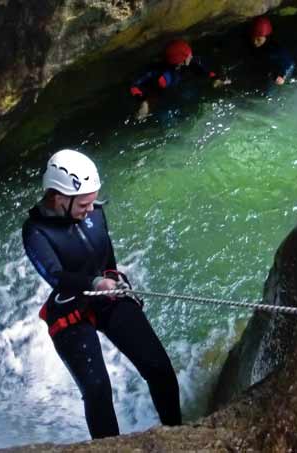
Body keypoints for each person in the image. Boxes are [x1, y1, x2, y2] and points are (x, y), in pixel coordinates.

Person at [22, 149, 182, 439]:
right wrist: (95, 282)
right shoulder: (35, 231)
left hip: (107, 296)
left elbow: (108, 259)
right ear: (59, 198)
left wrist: (109, 281)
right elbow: (56, 276)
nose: (91, 208)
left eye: (93, 200)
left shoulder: (95, 212)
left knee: (158, 367)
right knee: (97, 390)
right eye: (84, 203)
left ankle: (178, 434)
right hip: (70, 308)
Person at [129, 39, 228, 120]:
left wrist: (217, 79)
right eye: (189, 55)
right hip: (162, 97)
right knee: (165, 116)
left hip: (179, 89)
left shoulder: (191, 64)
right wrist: (144, 103)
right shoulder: (160, 75)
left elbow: (206, 71)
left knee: (190, 96)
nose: (191, 56)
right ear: (181, 61)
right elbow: (134, 85)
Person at [245, 16, 296, 86]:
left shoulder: (277, 50)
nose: (255, 42)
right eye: (253, 38)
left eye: (258, 39)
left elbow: (289, 63)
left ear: (267, 37)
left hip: (276, 68)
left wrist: (282, 76)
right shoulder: (251, 43)